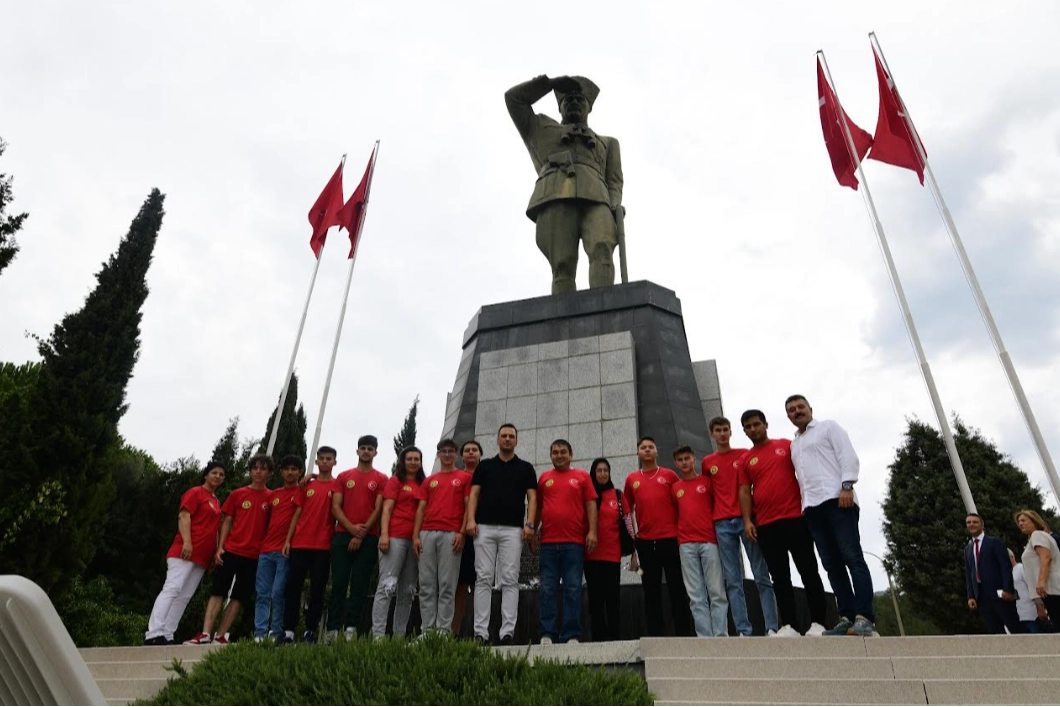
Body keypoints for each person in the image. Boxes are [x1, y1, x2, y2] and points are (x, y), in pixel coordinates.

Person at [505, 74, 624, 293]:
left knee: (602, 249)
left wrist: (615, 204)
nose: (574, 102)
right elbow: (513, 99)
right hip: (555, 197)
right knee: (562, 264)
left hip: (597, 199)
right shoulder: (538, 128)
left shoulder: (608, 143)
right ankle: (563, 319)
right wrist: (549, 84)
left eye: (580, 99)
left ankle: (606, 308)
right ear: (559, 107)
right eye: (568, 99)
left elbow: (614, 181)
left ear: (589, 107)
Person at [786, 395, 876, 636]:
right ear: (788, 416)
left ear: (810, 409)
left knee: (852, 557)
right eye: (792, 410)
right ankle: (846, 616)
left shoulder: (828, 427)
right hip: (812, 508)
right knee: (832, 566)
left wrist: (847, 486)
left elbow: (847, 455)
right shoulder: (794, 445)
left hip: (837, 501)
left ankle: (865, 616)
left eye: (800, 407)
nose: (797, 412)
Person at [738, 410, 828, 637]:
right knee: (779, 577)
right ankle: (789, 625)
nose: (753, 429)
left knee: (808, 571)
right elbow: (744, 492)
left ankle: (818, 622)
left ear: (766, 424)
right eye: (748, 426)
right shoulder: (746, 460)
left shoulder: (787, 446)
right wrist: (748, 520)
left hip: (796, 519)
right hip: (766, 525)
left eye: (756, 424)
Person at [185, 454, 273, 645]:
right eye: (255, 468)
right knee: (218, 591)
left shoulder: (271, 497)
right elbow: (227, 521)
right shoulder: (238, 494)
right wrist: (220, 548)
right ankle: (205, 633)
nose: (258, 472)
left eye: (263, 468)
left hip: (254, 556)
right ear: (250, 470)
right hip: (231, 551)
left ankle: (221, 635)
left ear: (269, 473)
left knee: (239, 597)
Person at [703, 416, 779, 636]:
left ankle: (771, 627)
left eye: (726, 429)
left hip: (746, 519)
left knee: (761, 574)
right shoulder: (708, 462)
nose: (722, 434)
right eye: (718, 430)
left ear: (731, 432)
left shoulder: (744, 455)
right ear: (712, 434)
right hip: (722, 523)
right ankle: (744, 630)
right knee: (732, 580)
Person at [465, 424, 538, 645]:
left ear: (517, 441)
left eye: (511, 436)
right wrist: (470, 520)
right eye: (503, 436)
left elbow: (532, 498)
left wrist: (530, 525)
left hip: (513, 530)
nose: (507, 439)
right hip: (484, 528)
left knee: (510, 580)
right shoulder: (484, 466)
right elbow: (474, 494)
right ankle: (481, 633)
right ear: (497, 440)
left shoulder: (525, 468)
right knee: (484, 578)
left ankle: (507, 632)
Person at [144, 461, 225, 645]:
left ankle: (168, 633)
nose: (218, 477)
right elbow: (184, 515)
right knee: (172, 588)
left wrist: (213, 553)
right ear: (206, 474)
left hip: (202, 558)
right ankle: (153, 632)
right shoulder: (196, 492)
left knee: (185, 596)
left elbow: (215, 529)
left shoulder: (216, 501)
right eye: (214, 473)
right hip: (184, 551)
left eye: (221, 474)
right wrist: (187, 541)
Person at [624, 436, 693, 637]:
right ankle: (656, 635)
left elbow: (682, 503)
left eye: (650, 447)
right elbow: (627, 510)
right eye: (643, 447)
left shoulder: (670, 475)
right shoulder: (632, 479)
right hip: (645, 543)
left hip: (671, 540)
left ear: (656, 452)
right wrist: (634, 541)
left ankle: (684, 634)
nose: (647, 450)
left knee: (677, 588)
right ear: (638, 452)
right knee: (650, 590)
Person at [536, 439, 597, 644]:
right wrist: (532, 532)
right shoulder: (544, 478)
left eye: (563, 452)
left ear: (571, 455)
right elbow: (538, 509)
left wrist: (592, 532)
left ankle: (571, 633)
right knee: (547, 589)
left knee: (573, 588)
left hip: (574, 543)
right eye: (555, 452)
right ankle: (547, 633)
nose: (559, 455)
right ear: (551, 455)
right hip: (548, 543)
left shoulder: (581, 477)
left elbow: (591, 505)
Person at [327, 435, 386, 640]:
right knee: (339, 584)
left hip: (369, 538)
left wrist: (360, 534)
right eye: (363, 448)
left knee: (360, 585)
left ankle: (351, 628)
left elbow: (379, 509)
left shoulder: (381, 478)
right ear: (357, 451)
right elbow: (335, 506)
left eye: (370, 448)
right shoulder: (344, 476)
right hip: (343, 535)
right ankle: (332, 629)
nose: (366, 451)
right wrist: (352, 529)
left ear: (375, 452)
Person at [413, 439, 471, 635]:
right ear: (438, 454)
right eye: (443, 451)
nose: (447, 455)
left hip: (451, 534)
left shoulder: (463, 478)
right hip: (427, 533)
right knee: (427, 584)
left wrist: (462, 532)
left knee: (447, 584)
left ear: (456, 455)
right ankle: (427, 629)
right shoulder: (430, 480)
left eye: (451, 451)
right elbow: (421, 509)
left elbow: (467, 506)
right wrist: (416, 536)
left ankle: (443, 630)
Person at [281, 446, 338, 644]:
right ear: (316, 461)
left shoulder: (337, 486)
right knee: (293, 587)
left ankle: (310, 631)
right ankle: (288, 630)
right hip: (300, 543)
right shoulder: (306, 485)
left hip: (322, 545)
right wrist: (288, 540)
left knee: (317, 590)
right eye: (321, 458)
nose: (324, 461)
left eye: (328, 458)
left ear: (334, 462)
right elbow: (296, 513)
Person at [672, 445, 728, 638]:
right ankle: (705, 637)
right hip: (686, 544)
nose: (684, 462)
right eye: (680, 460)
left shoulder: (707, 482)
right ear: (675, 464)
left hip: (709, 541)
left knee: (716, 591)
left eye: (687, 458)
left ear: (694, 459)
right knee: (696, 596)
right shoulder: (675, 488)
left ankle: (720, 635)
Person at [372, 445, 425, 638]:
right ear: (403, 461)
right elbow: (386, 510)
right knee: (387, 586)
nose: (413, 462)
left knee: (408, 591)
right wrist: (384, 534)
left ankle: (399, 636)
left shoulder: (423, 484)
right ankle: (378, 635)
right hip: (394, 538)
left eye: (416, 459)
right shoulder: (395, 481)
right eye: (409, 459)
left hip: (415, 540)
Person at [253, 455, 302, 641]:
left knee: (278, 592)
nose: (290, 472)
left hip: (285, 550)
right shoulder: (274, 495)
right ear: (281, 472)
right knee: (262, 593)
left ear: (299, 472)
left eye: (294, 469)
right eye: (287, 469)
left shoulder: (302, 492)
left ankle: (276, 632)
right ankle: (259, 633)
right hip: (266, 550)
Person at [962, 513, 1022, 634]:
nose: (971, 524)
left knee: (1014, 626)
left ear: (982, 525)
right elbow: (969, 574)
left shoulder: (994, 542)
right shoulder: (968, 549)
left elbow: (1005, 567)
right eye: (969, 522)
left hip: (1001, 593)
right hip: (982, 597)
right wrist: (971, 596)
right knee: (995, 629)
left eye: (975, 522)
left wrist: (1008, 589)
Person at [585, 458, 624, 642]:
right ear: (593, 473)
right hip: (591, 555)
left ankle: (615, 637)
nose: (602, 474)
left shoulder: (617, 495)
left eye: (605, 470)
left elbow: (628, 523)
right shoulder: (587, 496)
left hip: (612, 556)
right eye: (599, 470)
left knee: (613, 599)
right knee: (595, 600)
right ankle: (598, 639)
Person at [452, 440, 482, 635]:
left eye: (474, 450)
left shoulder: (486, 475)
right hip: (459, 534)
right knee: (459, 586)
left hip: (483, 533)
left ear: (480, 454)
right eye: (467, 450)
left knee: (480, 584)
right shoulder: (456, 477)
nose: (471, 453)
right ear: (462, 456)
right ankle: (453, 630)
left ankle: (480, 632)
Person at [1016, 510, 1060, 622]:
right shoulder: (1035, 538)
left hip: (1050, 588)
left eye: (1024, 520)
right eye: (1019, 521)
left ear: (1034, 521)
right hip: (1049, 589)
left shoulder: (1037, 535)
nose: (1020, 523)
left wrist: (1041, 581)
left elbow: (1046, 557)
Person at [1010, 549, 1048, 633]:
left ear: (1012, 557)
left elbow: (1032, 586)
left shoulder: (1020, 568)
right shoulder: (1006, 574)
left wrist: (1040, 607)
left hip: (1030, 614)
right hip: (1017, 614)